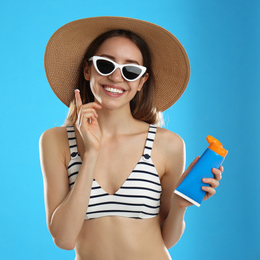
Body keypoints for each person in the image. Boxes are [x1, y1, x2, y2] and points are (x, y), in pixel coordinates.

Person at [39, 17, 223, 260]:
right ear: (87, 70)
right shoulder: (57, 140)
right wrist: (91, 153)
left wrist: (180, 205)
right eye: (106, 65)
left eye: (131, 70)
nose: (116, 77)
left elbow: (167, 239)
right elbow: (63, 239)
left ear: (141, 82)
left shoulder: (168, 144)